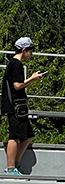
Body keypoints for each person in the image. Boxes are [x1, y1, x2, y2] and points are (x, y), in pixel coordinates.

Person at [2, 37, 44, 176]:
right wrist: (32, 78)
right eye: (31, 51)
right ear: (24, 50)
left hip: (17, 106)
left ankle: (16, 163)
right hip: (14, 106)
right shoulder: (16, 64)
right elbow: (17, 85)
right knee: (14, 136)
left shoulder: (13, 64)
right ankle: (10, 168)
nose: (31, 54)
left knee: (28, 135)